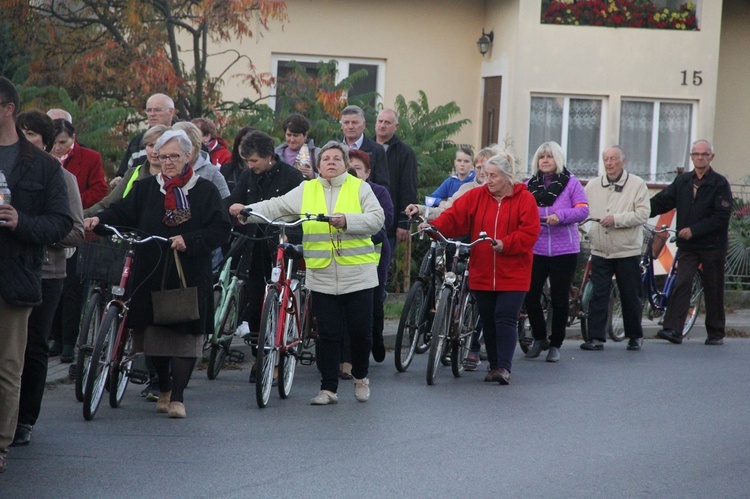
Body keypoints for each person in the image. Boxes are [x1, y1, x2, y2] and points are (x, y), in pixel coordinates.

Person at [84, 130, 231, 418]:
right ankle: (163, 386)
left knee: (185, 336)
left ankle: (177, 397)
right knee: (151, 336)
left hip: (188, 273)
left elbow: (220, 228)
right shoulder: (147, 188)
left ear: (188, 156)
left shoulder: (204, 190)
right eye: (163, 157)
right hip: (150, 269)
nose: (167, 162)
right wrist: (98, 219)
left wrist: (190, 241)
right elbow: (122, 212)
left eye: (174, 156)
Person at [237, 141, 384, 405]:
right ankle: (328, 389)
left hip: (358, 275)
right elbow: (277, 206)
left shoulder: (360, 188)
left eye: (336, 159)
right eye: (325, 158)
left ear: (345, 165)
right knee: (327, 334)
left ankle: (361, 376)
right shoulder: (308, 188)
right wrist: (248, 212)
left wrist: (348, 221)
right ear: (318, 165)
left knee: (361, 332)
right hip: (321, 273)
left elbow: (376, 219)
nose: (330, 162)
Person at [0, 76, 73, 473]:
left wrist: (19, 220)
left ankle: (0, 446)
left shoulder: (43, 166)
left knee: (8, 368)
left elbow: (61, 223)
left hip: (14, 278)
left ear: (8, 108)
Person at [420, 152, 539, 385]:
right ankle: (494, 366)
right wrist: (434, 226)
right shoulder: (476, 196)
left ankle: (504, 367)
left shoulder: (525, 199)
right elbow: (454, 216)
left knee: (505, 317)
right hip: (483, 269)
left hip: (514, 271)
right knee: (488, 318)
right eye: (486, 175)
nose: (488, 180)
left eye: (493, 176)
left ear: (507, 177)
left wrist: (506, 243)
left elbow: (530, 232)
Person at [13, 111, 84, 447]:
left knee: (35, 347)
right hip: (11, 270)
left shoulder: (60, 176)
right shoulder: (10, 169)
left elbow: (75, 230)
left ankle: (26, 417)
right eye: (20, 133)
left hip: (46, 274)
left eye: (31, 135)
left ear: (45, 140)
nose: (24, 141)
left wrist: (37, 231)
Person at [226, 131, 305, 349]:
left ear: (269, 156)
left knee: (278, 299)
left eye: (254, 160)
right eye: (246, 161)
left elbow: (300, 214)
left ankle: (277, 343)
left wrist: (291, 237)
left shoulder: (292, 177)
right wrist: (231, 206)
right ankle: (258, 351)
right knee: (254, 297)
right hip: (253, 245)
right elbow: (237, 198)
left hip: (279, 246)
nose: (250, 165)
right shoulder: (247, 175)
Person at [650, 139, 733, 346]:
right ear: (691, 157)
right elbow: (663, 201)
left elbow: (721, 216)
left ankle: (715, 333)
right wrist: (639, 210)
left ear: (711, 157)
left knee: (713, 288)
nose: (700, 158)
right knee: (682, 283)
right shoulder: (683, 181)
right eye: (696, 154)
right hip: (688, 246)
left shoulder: (719, 183)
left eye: (704, 154)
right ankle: (673, 329)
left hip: (712, 245)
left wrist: (694, 230)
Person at [48, 118, 108, 362]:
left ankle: (69, 342)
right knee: (55, 287)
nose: (58, 147)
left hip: (79, 227)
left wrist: (73, 203)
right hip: (54, 228)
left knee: (73, 289)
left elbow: (99, 190)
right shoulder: (44, 158)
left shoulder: (90, 157)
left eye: (63, 142)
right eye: (55, 143)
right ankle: (56, 337)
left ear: (72, 138)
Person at [523, 141, 589, 363]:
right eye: (541, 157)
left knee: (559, 298)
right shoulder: (528, 185)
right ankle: (540, 337)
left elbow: (583, 210)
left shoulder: (571, 184)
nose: (545, 161)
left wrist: (561, 217)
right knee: (529, 294)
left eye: (549, 157)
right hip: (536, 247)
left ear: (557, 159)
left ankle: (556, 343)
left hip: (564, 249)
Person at [581, 145, 650, 352]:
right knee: (598, 294)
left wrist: (616, 220)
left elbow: (643, 214)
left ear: (623, 161)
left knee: (629, 295)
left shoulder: (637, 184)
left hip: (626, 249)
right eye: (606, 160)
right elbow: (583, 212)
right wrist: (588, 231)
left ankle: (634, 336)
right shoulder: (593, 185)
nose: (609, 163)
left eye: (613, 159)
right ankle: (596, 337)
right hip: (600, 249)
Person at [348, 149, 393, 365]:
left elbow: (386, 221)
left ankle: (376, 337)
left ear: (367, 172)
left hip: (375, 258)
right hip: (346, 259)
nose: (352, 172)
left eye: (357, 168)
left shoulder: (378, 192)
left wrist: (358, 237)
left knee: (374, 305)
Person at [112, 93, 176, 187]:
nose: (152, 114)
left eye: (157, 110)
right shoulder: (137, 141)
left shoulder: (183, 139)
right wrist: (119, 180)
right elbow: (124, 173)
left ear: (171, 112)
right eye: (149, 110)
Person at [374, 108, 417, 246]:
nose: (382, 125)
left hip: (390, 224)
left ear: (396, 126)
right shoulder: (367, 148)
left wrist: (404, 222)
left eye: (387, 122)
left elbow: (408, 188)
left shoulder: (405, 153)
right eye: (380, 121)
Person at [173, 121, 230, 199]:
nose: (182, 151)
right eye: (177, 147)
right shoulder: (165, 170)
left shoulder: (212, 173)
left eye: (187, 146)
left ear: (197, 146)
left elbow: (226, 203)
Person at [340, 105, 389, 188]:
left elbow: (382, 183)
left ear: (364, 125)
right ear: (342, 126)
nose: (350, 127)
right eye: (346, 123)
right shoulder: (333, 148)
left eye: (355, 123)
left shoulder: (376, 150)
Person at [275, 113, 319, 179]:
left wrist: (312, 175)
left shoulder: (317, 154)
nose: (292, 140)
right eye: (289, 135)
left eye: (296, 135)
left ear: (305, 135)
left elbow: (329, 180)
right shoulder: (275, 154)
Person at [219, 126, 255, 193]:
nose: (245, 149)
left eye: (249, 145)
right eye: (241, 145)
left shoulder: (263, 170)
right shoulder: (227, 169)